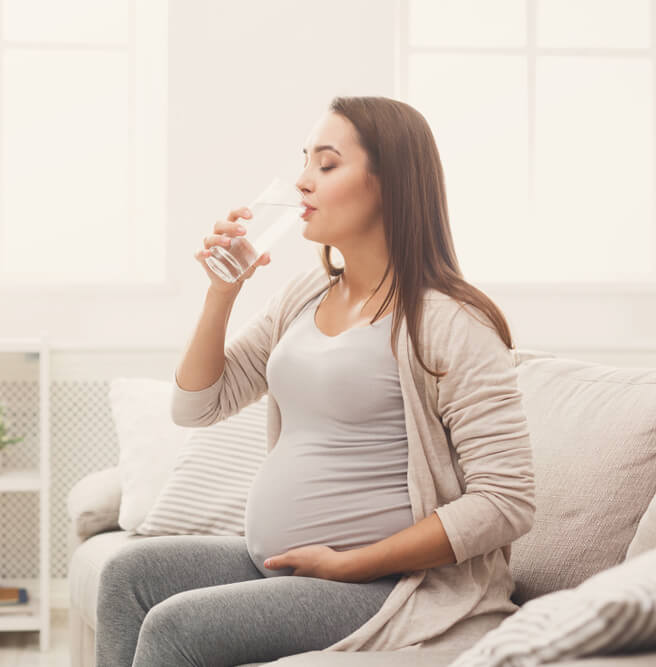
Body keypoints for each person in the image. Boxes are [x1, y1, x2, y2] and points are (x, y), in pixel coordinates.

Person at [95, 96, 536, 666]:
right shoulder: (304, 296)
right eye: (305, 161)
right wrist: (222, 293)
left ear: (389, 184)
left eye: (326, 165)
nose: (302, 181)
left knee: (178, 627)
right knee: (126, 576)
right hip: (295, 566)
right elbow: (196, 408)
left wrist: (358, 562)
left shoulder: (452, 322)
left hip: (389, 588)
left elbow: (507, 500)